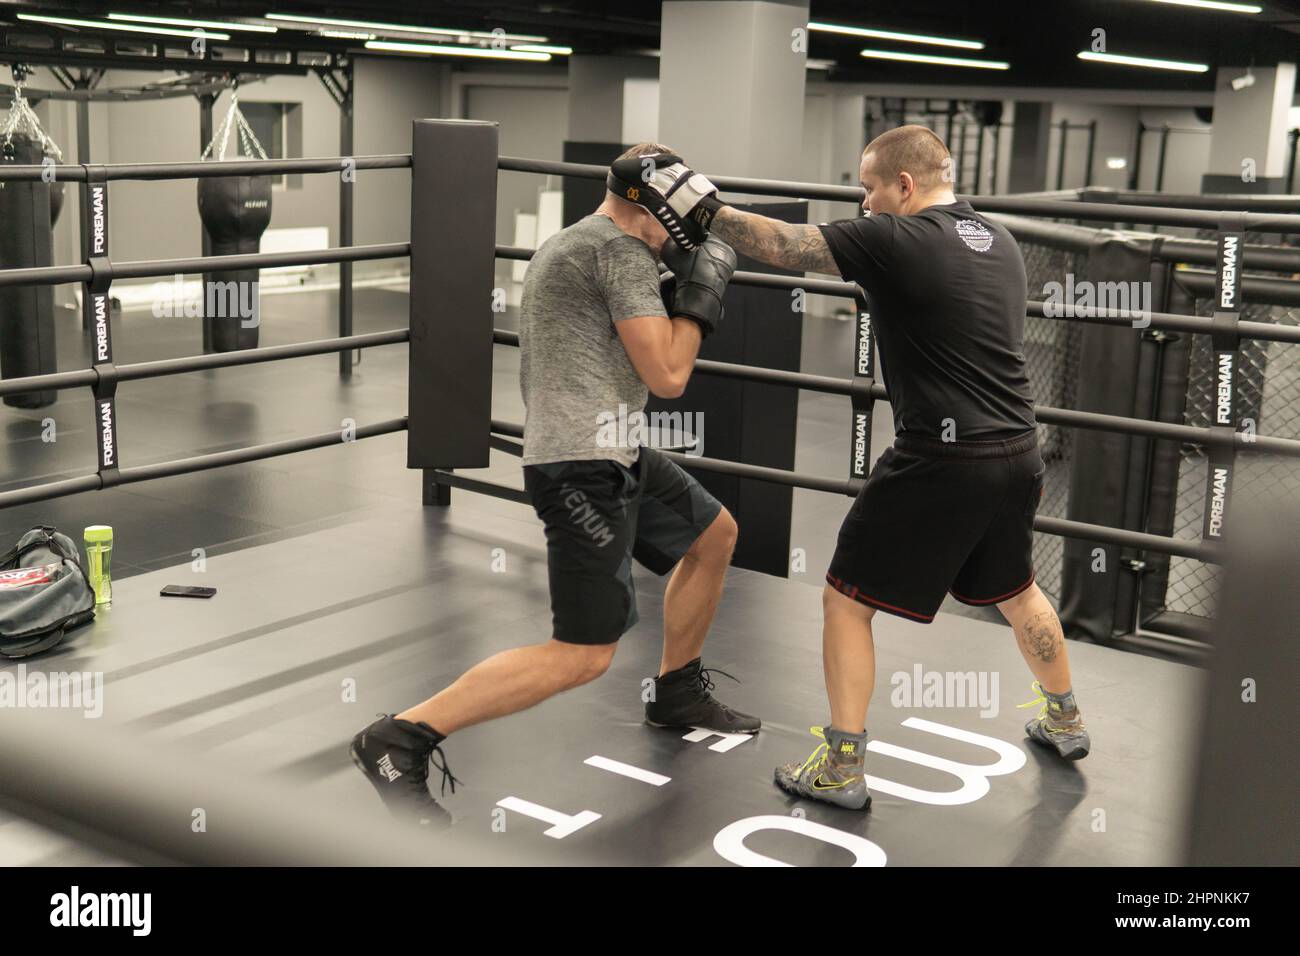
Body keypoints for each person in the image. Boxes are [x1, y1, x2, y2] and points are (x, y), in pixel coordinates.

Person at [614, 125, 1090, 812]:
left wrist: (695, 203)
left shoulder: (895, 238)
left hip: (939, 457)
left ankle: (841, 767)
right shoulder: (1000, 242)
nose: (864, 203)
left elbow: (784, 244)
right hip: (1017, 448)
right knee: (1017, 589)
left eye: (869, 189)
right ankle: (1065, 717)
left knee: (845, 598)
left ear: (903, 185)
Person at [351, 142, 759, 827]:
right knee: (583, 656)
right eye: (678, 214)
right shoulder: (621, 253)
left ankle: (677, 690)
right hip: (583, 466)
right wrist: (700, 300)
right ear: (647, 205)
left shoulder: (577, 241)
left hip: (610, 445)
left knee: (714, 534)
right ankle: (398, 739)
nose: (685, 230)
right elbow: (668, 377)